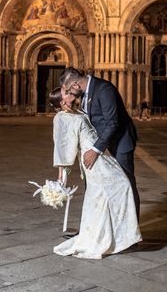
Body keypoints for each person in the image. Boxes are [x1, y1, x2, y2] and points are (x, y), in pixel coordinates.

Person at [49, 88, 141, 259]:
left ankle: (113, 235)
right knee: (121, 186)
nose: (70, 93)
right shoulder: (61, 118)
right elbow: (61, 146)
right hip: (91, 158)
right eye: (66, 93)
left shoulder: (77, 111)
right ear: (62, 102)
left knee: (103, 194)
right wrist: (62, 174)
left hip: (99, 154)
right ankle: (112, 236)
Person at [59, 67, 140, 220]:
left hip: (120, 141)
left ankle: (131, 232)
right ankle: (94, 228)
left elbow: (112, 123)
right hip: (103, 142)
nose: (70, 94)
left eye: (69, 90)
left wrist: (96, 150)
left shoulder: (104, 89)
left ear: (75, 85)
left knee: (126, 184)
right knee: (96, 185)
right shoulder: (85, 93)